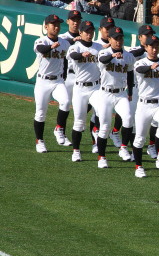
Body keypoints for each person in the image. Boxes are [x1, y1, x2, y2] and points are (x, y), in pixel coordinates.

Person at [91, 27, 135, 168]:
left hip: (121, 93)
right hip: (105, 93)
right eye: (115, 38)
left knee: (128, 118)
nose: (118, 41)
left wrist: (130, 91)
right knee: (104, 126)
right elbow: (103, 60)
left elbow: (130, 73)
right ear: (109, 39)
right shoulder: (104, 52)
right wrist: (113, 56)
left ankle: (123, 147)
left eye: (120, 38)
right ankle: (102, 157)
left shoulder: (128, 56)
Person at [32, 14, 72, 153]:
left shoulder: (64, 43)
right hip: (43, 81)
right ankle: (40, 141)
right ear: (46, 26)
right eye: (53, 24)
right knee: (40, 113)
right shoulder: (40, 41)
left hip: (58, 81)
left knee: (66, 102)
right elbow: (41, 49)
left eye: (58, 24)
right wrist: (51, 46)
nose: (56, 27)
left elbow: (66, 57)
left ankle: (59, 129)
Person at [131, 35, 159, 178]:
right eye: (151, 46)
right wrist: (150, 67)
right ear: (146, 47)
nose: (154, 49)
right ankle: (139, 167)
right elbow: (140, 70)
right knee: (140, 138)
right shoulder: (140, 63)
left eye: (156, 46)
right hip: (144, 105)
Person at [67, 20, 103, 162]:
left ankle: (97, 137)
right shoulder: (75, 47)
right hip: (80, 89)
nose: (89, 34)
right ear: (80, 33)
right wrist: (82, 55)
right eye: (86, 32)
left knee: (102, 112)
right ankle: (76, 151)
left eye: (91, 31)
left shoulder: (98, 47)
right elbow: (73, 56)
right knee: (79, 122)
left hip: (95, 88)